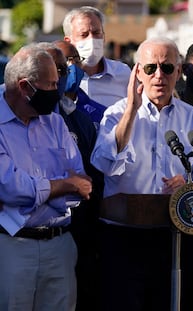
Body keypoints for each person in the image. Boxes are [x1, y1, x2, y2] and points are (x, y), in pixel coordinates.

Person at [90, 37, 193, 311]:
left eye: (166, 67)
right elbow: (104, 162)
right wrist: (131, 109)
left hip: (176, 236)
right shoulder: (117, 114)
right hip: (125, 237)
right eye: (150, 68)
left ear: (178, 72)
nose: (159, 75)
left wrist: (190, 187)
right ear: (137, 72)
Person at [0, 44, 92, 310]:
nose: (57, 89)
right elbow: (9, 187)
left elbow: (81, 184)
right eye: (51, 84)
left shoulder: (55, 121)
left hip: (60, 244)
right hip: (12, 246)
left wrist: (41, 191)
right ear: (25, 87)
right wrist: (62, 185)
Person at [38, 41, 104, 311]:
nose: (69, 71)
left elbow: (93, 177)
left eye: (73, 63)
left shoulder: (82, 120)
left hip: (75, 232)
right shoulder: (29, 115)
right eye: (61, 66)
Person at [63, 6, 131, 108]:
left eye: (96, 33)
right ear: (69, 41)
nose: (92, 39)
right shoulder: (61, 77)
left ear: (104, 37)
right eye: (84, 34)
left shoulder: (123, 73)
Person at [54, 40, 106, 127]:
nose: (73, 65)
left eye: (77, 60)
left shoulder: (99, 113)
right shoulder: (42, 111)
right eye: (65, 60)